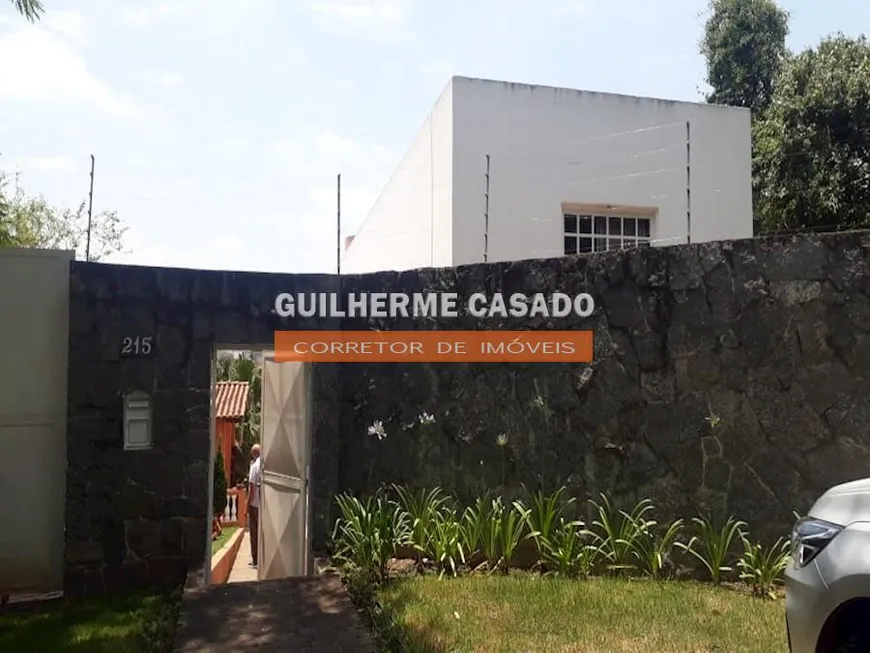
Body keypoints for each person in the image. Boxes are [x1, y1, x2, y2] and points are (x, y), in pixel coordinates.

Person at [247, 444, 262, 568]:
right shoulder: (265, 465)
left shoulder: (254, 467)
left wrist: (247, 505)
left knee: (254, 532)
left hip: (254, 504)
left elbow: (251, 489)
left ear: (253, 454)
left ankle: (256, 560)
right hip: (264, 505)